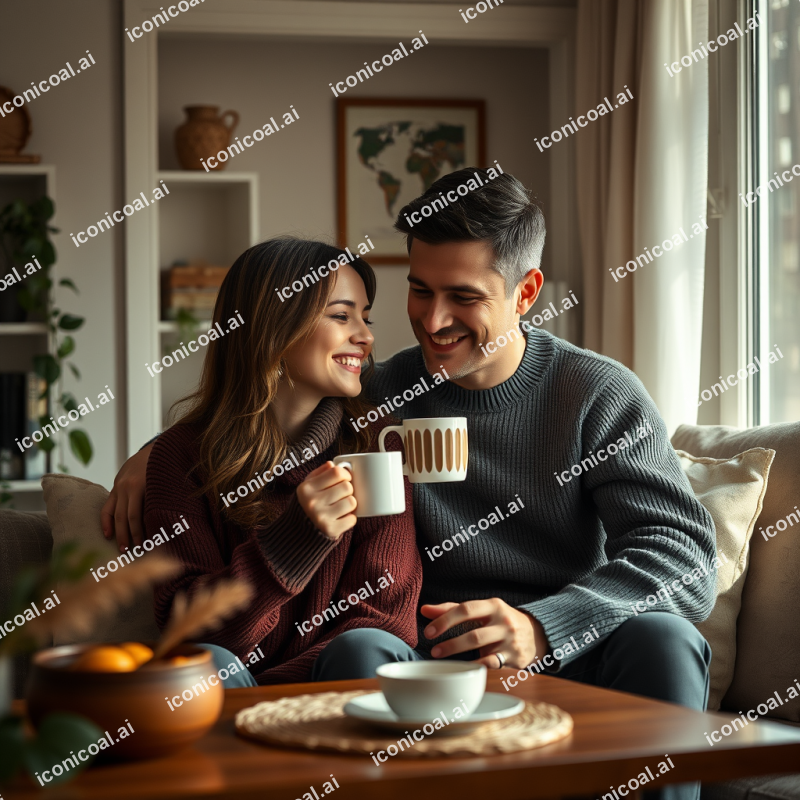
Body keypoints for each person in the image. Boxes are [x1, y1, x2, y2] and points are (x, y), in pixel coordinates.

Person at [106, 171, 714, 800]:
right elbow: (266, 403)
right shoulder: (380, 397)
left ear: (526, 292)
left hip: (566, 654)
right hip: (425, 661)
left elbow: (687, 561)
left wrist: (544, 627)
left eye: (464, 297)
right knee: (359, 649)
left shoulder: (595, 394)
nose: (434, 320)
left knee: (666, 638)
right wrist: (148, 458)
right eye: (419, 291)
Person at [137, 237, 422, 685]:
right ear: (274, 327)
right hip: (235, 689)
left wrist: (288, 691)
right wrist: (293, 542)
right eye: (342, 315)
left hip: (341, 682)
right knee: (205, 665)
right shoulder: (180, 455)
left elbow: (386, 617)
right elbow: (186, 628)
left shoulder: (375, 439)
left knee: (363, 646)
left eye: (365, 318)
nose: (366, 336)